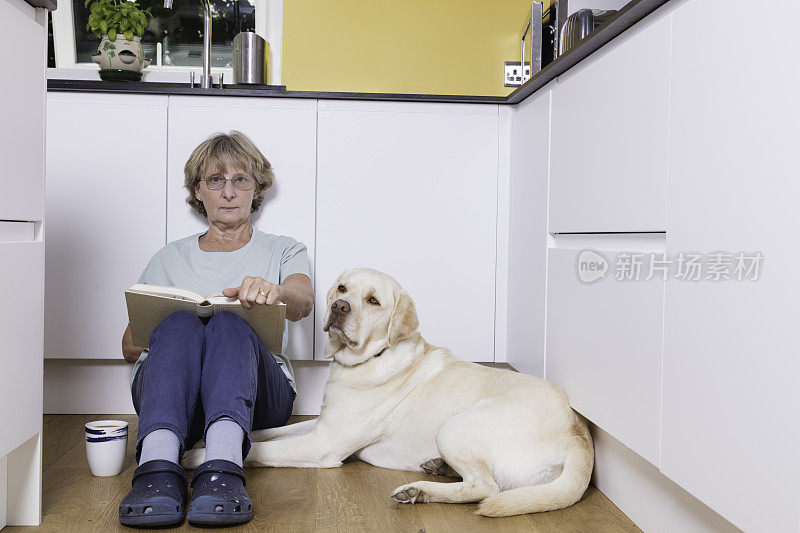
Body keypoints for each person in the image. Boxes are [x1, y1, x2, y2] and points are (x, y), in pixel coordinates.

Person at [118, 130, 314, 528]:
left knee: (229, 320)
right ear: (198, 190)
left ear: (255, 188)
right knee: (181, 323)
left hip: (259, 399)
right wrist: (179, 321)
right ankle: (156, 469)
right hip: (174, 402)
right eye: (215, 180)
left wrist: (275, 291)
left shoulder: (283, 249)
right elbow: (127, 346)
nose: (228, 192)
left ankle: (223, 469)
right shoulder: (168, 256)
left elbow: (304, 300)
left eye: (240, 180)